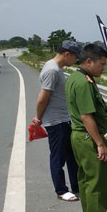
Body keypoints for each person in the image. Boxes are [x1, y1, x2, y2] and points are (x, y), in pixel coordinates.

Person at [66, 44, 107, 212]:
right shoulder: (83, 83)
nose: (103, 68)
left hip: (80, 136)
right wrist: (99, 143)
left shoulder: (76, 77)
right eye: (101, 64)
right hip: (88, 136)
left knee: (86, 180)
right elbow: (87, 117)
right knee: (97, 181)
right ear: (89, 61)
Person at [31, 40, 81, 202]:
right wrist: (38, 117)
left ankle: (77, 186)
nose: (75, 61)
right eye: (75, 58)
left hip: (64, 119)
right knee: (58, 157)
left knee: (71, 156)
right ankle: (61, 190)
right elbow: (43, 98)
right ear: (67, 54)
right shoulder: (52, 70)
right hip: (56, 121)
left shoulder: (55, 67)